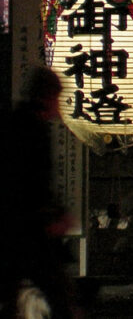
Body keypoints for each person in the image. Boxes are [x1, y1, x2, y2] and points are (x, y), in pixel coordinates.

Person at [0, 68, 76, 318]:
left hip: (18, 224)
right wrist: (51, 215)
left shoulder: (19, 122)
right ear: (47, 97)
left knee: (14, 288)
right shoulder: (30, 128)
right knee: (56, 290)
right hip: (27, 227)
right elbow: (32, 181)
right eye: (57, 97)